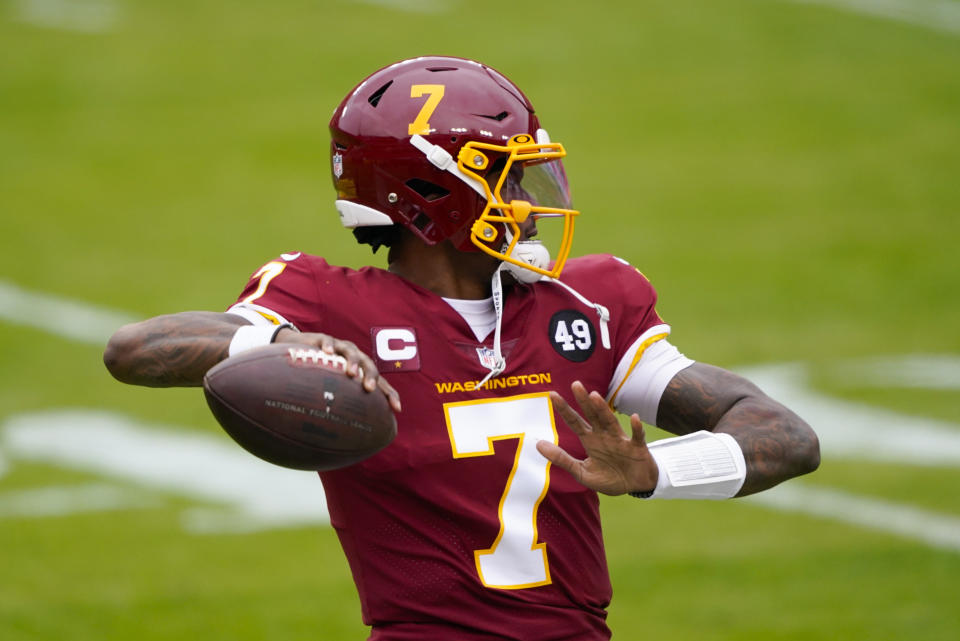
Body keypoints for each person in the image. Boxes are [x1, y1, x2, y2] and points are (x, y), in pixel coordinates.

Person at [103, 56, 819, 641]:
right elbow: (135, 349)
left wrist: (649, 468)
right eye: (504, 174)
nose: (528, 195)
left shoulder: (589, 303)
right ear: (427, 193)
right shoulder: (330, 305)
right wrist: (284, 341)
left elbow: (787, 437)